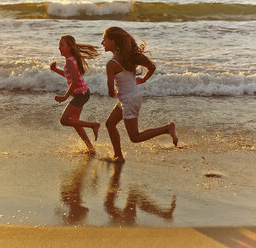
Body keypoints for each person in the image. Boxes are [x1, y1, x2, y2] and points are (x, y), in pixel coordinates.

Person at [101, 27, 178, 162]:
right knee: (110, 124)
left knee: (135, 137)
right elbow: (152, 67)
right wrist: (143, 79)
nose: (102, 42)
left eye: (105, 39)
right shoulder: (129, 56)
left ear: (113, 41)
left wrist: (111, 93)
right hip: (131, 98)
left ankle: (166, 129)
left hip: (129, 100)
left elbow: (109, 87)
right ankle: (118, 156)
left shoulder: (112, 64)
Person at [50, 35, 100, 152]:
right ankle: (90, 148)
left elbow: (75, 82)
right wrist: (56, 70)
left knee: (64, 120)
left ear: (69, 47)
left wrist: (64, 97)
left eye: (62, 45)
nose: (59, 48)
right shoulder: (71, 59)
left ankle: (93, 125)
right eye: (59, 45)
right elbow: (70, 76)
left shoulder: (69, 62)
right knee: (75, 122)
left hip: (81, 95)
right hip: (82, 93)